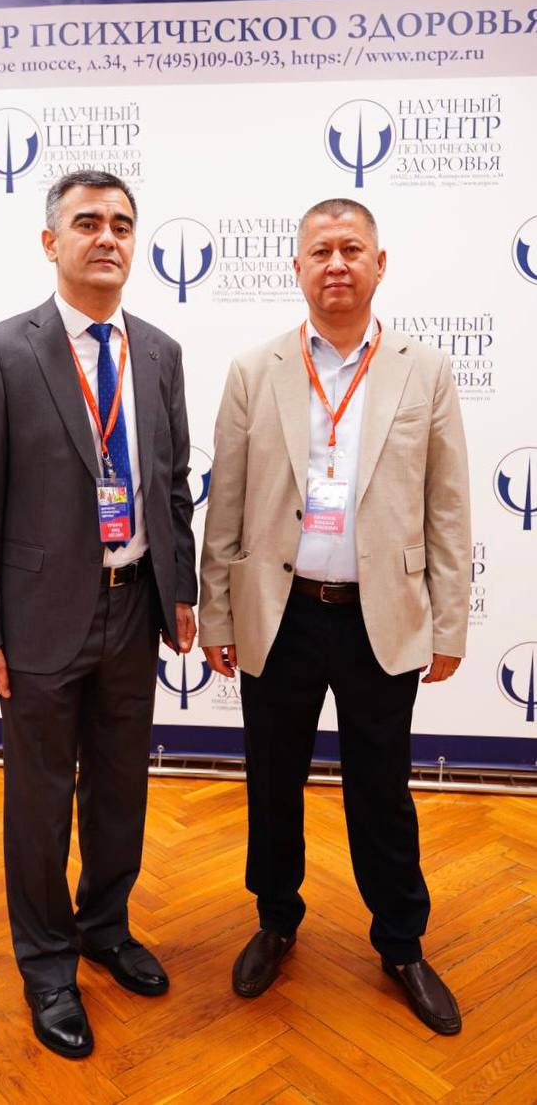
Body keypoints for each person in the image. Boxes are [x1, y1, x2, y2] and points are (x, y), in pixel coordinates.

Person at [198, 198, 470, 1035]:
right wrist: (217, 615)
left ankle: (401, 942)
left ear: (380, 264)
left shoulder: (425, 370)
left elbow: (448, 505)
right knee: (272, 780)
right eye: (321, 250)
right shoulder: (256, 370)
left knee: (382, 790)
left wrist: (449, 624)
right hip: (279, 613)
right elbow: (227, 503)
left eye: (353, 248)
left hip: (379, 616)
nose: (337, 263)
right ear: (298, 267)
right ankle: (275, 918)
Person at [0, 170, 197, 1059]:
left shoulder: (159, 351)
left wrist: (181, 592)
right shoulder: (1, 352)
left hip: (134, 608)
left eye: (122, 224)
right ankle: (48, 964)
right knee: (41, 801)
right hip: (38, 618)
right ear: (51, 242)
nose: (107, 237)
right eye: (87, 222)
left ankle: (105, 925)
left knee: (121, 788)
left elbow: (171, 484)